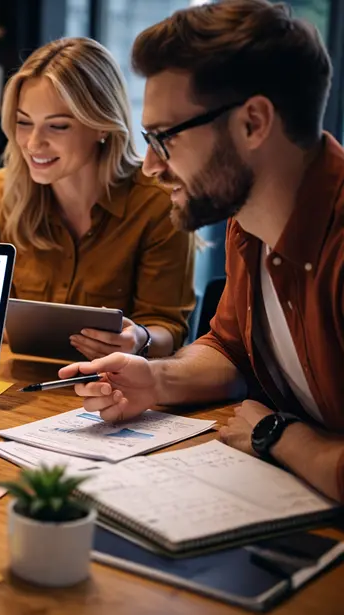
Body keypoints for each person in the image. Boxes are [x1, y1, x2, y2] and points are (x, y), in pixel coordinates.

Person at [60, 0, 344, 501]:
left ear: (253, 123)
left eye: (164, 138)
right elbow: (228, 349)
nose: (149, 165)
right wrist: (155, 381)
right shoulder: (247, 223)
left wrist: (279, 436)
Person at [0, 37, 195, 359]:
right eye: (24, 123)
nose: (33, 143)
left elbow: (167, 326)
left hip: (111, 388)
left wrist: (139, 338)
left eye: (57, 126)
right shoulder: (0, 192)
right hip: (15, 384)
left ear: (102, 126)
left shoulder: (157, 202)